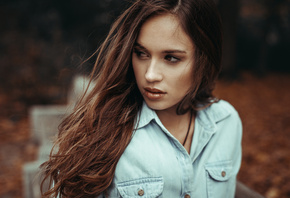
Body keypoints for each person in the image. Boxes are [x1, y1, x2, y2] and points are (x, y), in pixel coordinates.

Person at [41, 0, 242, 197]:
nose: (150, 75)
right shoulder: (101, 130)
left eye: (171, 58)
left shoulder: (225, 123)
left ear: (204, 59)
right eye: (141, 53)